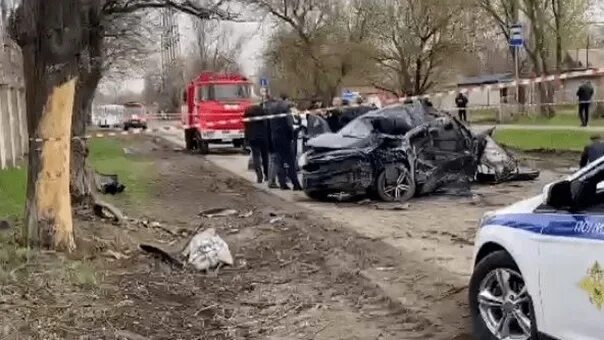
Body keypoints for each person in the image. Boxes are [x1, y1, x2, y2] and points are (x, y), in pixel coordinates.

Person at [266, 97, 303, 191]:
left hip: (275, 137)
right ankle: (295, 184)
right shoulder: (288, 107)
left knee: (280, 161)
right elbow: (292, 123)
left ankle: (282, 183)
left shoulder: (271, 108)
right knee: (290, 161)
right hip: (285, 137)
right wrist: (293, 135)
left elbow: (268, 124)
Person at [244, 104, 270, 183]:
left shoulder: (247, 115)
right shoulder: (264, 113)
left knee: (256, 157)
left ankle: (259, 175)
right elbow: (267, 125)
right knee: (265, 157)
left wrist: (246, 139)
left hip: (253, 138)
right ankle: (267, 175)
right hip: (263, 137)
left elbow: (246, 127)